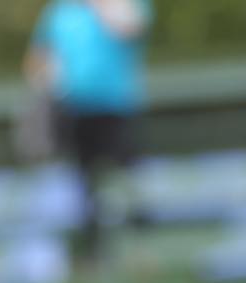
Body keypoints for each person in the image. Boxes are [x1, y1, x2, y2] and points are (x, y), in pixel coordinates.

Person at [26, 0, 152, 259]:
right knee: (84, 191)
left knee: (127, 182)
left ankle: (143, 251)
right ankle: (93, 255)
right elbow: (38, 57)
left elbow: (130, 29)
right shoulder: (60, 10)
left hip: (116, 108)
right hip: (73, 110)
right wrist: (48, 80)